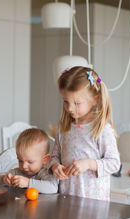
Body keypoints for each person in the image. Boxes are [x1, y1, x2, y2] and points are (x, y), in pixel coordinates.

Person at [49, 66, 120, 201]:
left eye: (77, 103)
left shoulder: (102, 129)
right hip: (66, 199)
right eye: (66, 101)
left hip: (94, 202)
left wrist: (89, 164)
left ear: (95, 99)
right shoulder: (64, 128)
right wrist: (54, 166)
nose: (69, 108)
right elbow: (54, 156)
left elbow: (114, 163)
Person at [0, 128, 58, 194]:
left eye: (30, 162)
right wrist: (3, 179)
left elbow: (53, 188)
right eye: (20, 161)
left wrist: (28, 183)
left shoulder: (45, 173)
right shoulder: (17, 172)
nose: (24, 166)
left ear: (45, 159)